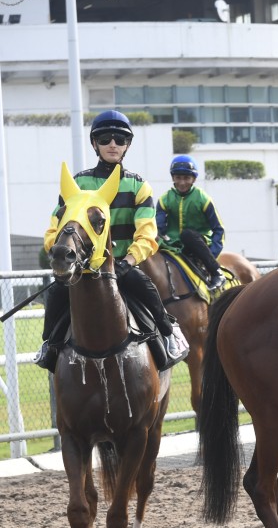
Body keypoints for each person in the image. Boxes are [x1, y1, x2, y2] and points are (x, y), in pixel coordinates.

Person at [36, 110, 188, 371]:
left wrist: (128, 262)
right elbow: (55, 229)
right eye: (105, 138)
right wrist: (63, 253)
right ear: (95, 144)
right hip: (81, 266)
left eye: (119, 139)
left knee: (146, 287)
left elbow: (147, 234)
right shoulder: (77, 183)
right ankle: (49, 344)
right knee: (56, 294)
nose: (112, 144)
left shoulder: (139, 186)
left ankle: (168, 330)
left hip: (120, 266)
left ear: (127, 145)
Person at [155, 155, 227, 291]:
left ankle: (217, 273)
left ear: (193, 179)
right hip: (173, 246)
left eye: (186, 178)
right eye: (178, 178)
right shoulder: (164, 199)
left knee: (187, 234)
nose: (182, 183)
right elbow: (158, 228)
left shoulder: (202, 198)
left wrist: (211, 255)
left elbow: (219, 230)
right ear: (173, 178)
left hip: (198, 244)